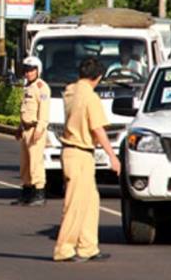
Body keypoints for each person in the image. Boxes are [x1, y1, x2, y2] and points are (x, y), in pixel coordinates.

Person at [53, 56, 121, 263]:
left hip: (72, 151)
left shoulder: (70, 91)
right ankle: (64, 249)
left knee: (90, 202)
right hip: (80, 152)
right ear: (98, 77)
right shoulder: (90, 97)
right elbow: (97, 129)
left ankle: (87, 246)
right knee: (75, 204)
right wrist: (112, 156)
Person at [12, 56, 50, 206]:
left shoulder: (42, 87)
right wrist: (19, 128)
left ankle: (39, 193)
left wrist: (40, 129)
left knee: (36, 163)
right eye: (26, 70)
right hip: (26, 130)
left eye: (31, 70)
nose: (28, 73)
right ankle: (27, 192)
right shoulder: (27, 87)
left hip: (35, 130)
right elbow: (25, 110)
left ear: (38, 70)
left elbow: (44, 111)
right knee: (25, 164)